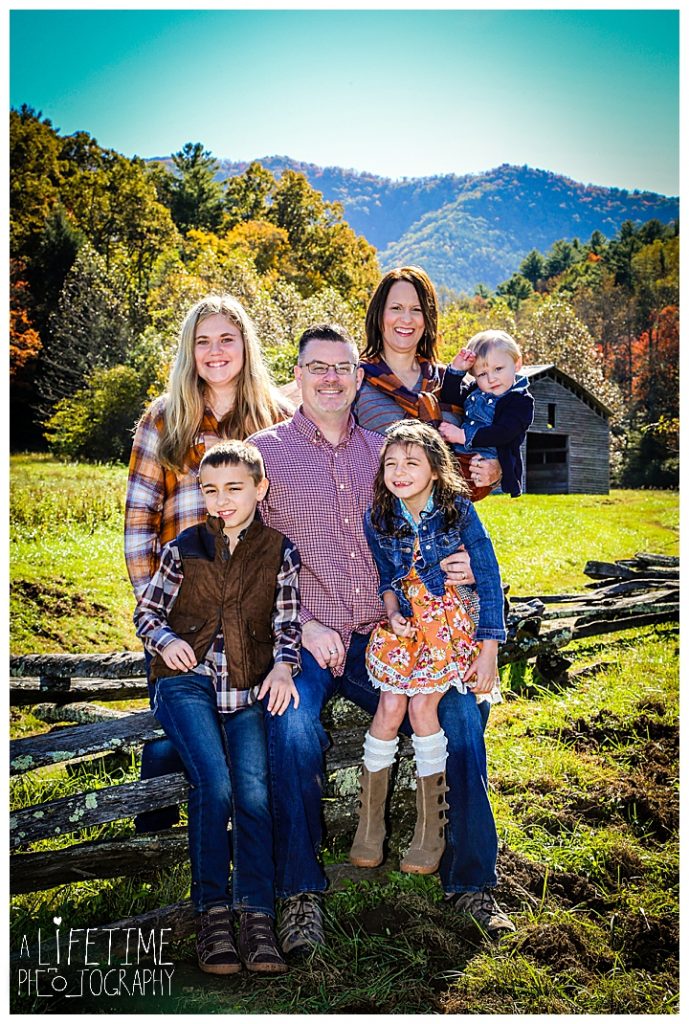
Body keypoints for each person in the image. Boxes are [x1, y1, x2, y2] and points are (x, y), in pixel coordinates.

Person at [250, 323, 515, 960]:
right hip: (311, 637)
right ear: (298, 375)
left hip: (390, 636)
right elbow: (251, 558)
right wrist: (302, 626)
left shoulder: (386, 450)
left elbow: (455, 515)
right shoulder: (265, 454)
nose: (333, 378)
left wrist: (466, 570)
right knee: (289, 730)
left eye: (344, 367)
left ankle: (471, 881)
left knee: (461, 718)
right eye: (318, 367)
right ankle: (301, 896)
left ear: (357, 375)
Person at [125, 294, 292, 832]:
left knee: (245, 717)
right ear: (187, 351)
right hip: (186, 606)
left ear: (245, 345)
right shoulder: (164, 419)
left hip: (254, 605)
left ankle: (169, 761)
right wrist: (160, 619)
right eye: (203, 341)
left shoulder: (276, 417)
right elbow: (138, 526)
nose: (215, 351)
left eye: (227, 338)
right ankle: (156, 811)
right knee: (191, 703)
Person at [134, 440, 301, 975]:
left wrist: (282, 666)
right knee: (216, 783)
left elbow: (287, 624)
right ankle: (212, 913)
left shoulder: (279, 550)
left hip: (249, 686)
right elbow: (147, 612)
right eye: (210, 490)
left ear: (260, 489)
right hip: (186, 682)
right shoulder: (185, 547)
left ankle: (255, 914)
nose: (221, 500)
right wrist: (164, 640)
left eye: (234, 489)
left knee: (253, 792)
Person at [349, 421, 505, 876]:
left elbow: (489, 575)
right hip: (410, 626)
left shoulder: (457, 510)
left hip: (450, 623)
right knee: (390, 706)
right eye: (391, 463)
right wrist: (391, 608)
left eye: (412, 463)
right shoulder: (379, 516)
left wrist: (489, 647)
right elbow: (387, 579)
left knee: (422, 711)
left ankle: (428, 829)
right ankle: (369, 823)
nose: (399, 472)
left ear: (436, 470)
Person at [355, 266, 503, 500]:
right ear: (379, 315)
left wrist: (496, 468)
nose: (406, 319)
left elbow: (494, 434)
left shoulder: (452, 381)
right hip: (376, 525)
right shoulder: (356, 381)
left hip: (448, 528)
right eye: (396, 308)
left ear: (428, 318)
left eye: (416, 310)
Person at [438, 330, 535, 497]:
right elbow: (450, 398)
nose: (491, 379)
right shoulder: (477, 390)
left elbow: (503, 433)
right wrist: (456, 371)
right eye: (482, 374)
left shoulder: (520, 401)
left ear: (517, 364)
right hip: (458, 456)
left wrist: (463, 436)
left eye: (498, 369)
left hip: (482, 463)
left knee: (448, 493)